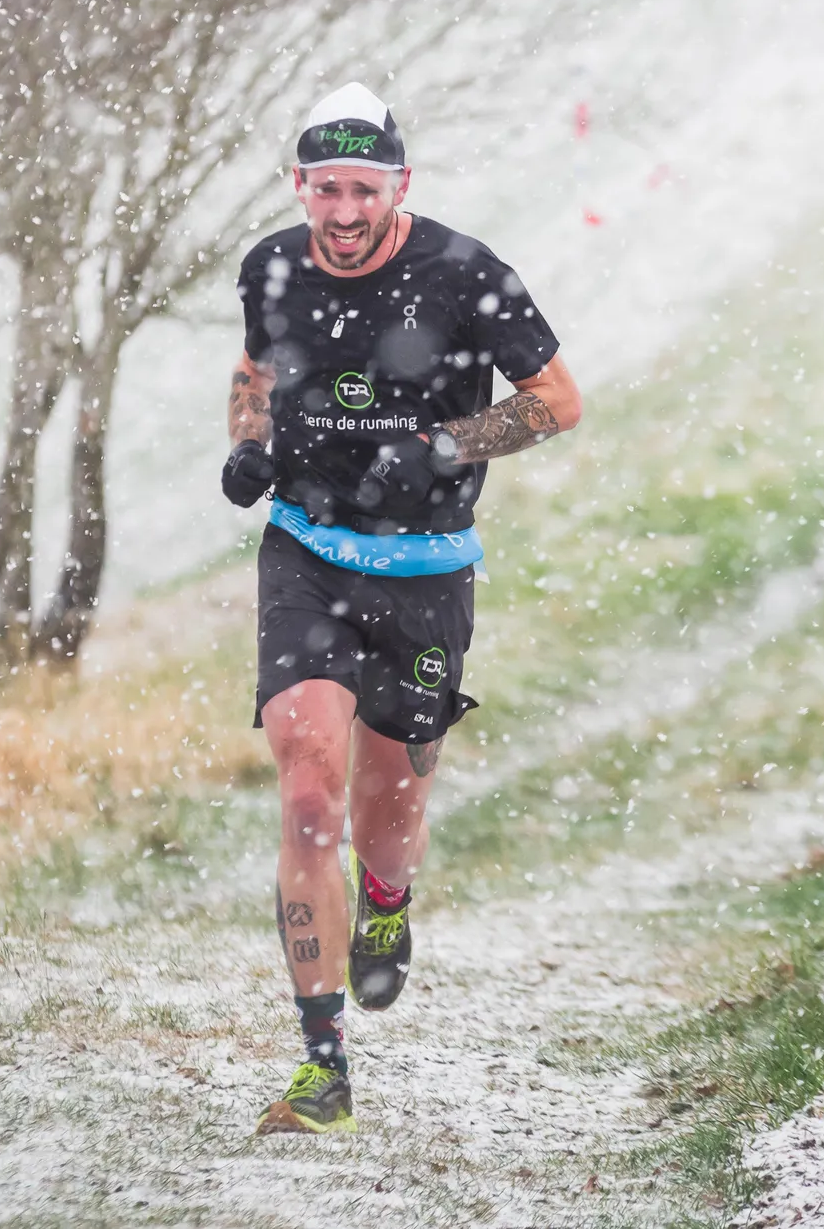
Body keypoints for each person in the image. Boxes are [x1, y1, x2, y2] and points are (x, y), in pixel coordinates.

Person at [220, 82, 583, 1134]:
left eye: (361, 191)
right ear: (299, 186)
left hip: (427, 568)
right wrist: (248, 442)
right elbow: (255, 366)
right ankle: (322, 1063)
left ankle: (386, 899)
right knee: (305, 794)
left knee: (387, 811)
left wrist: (448, 446)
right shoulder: (272, 266)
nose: (340, 213)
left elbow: (558, 400)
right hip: (308, 553)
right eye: (323, 189)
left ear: (399, 187)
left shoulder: (467, 275)